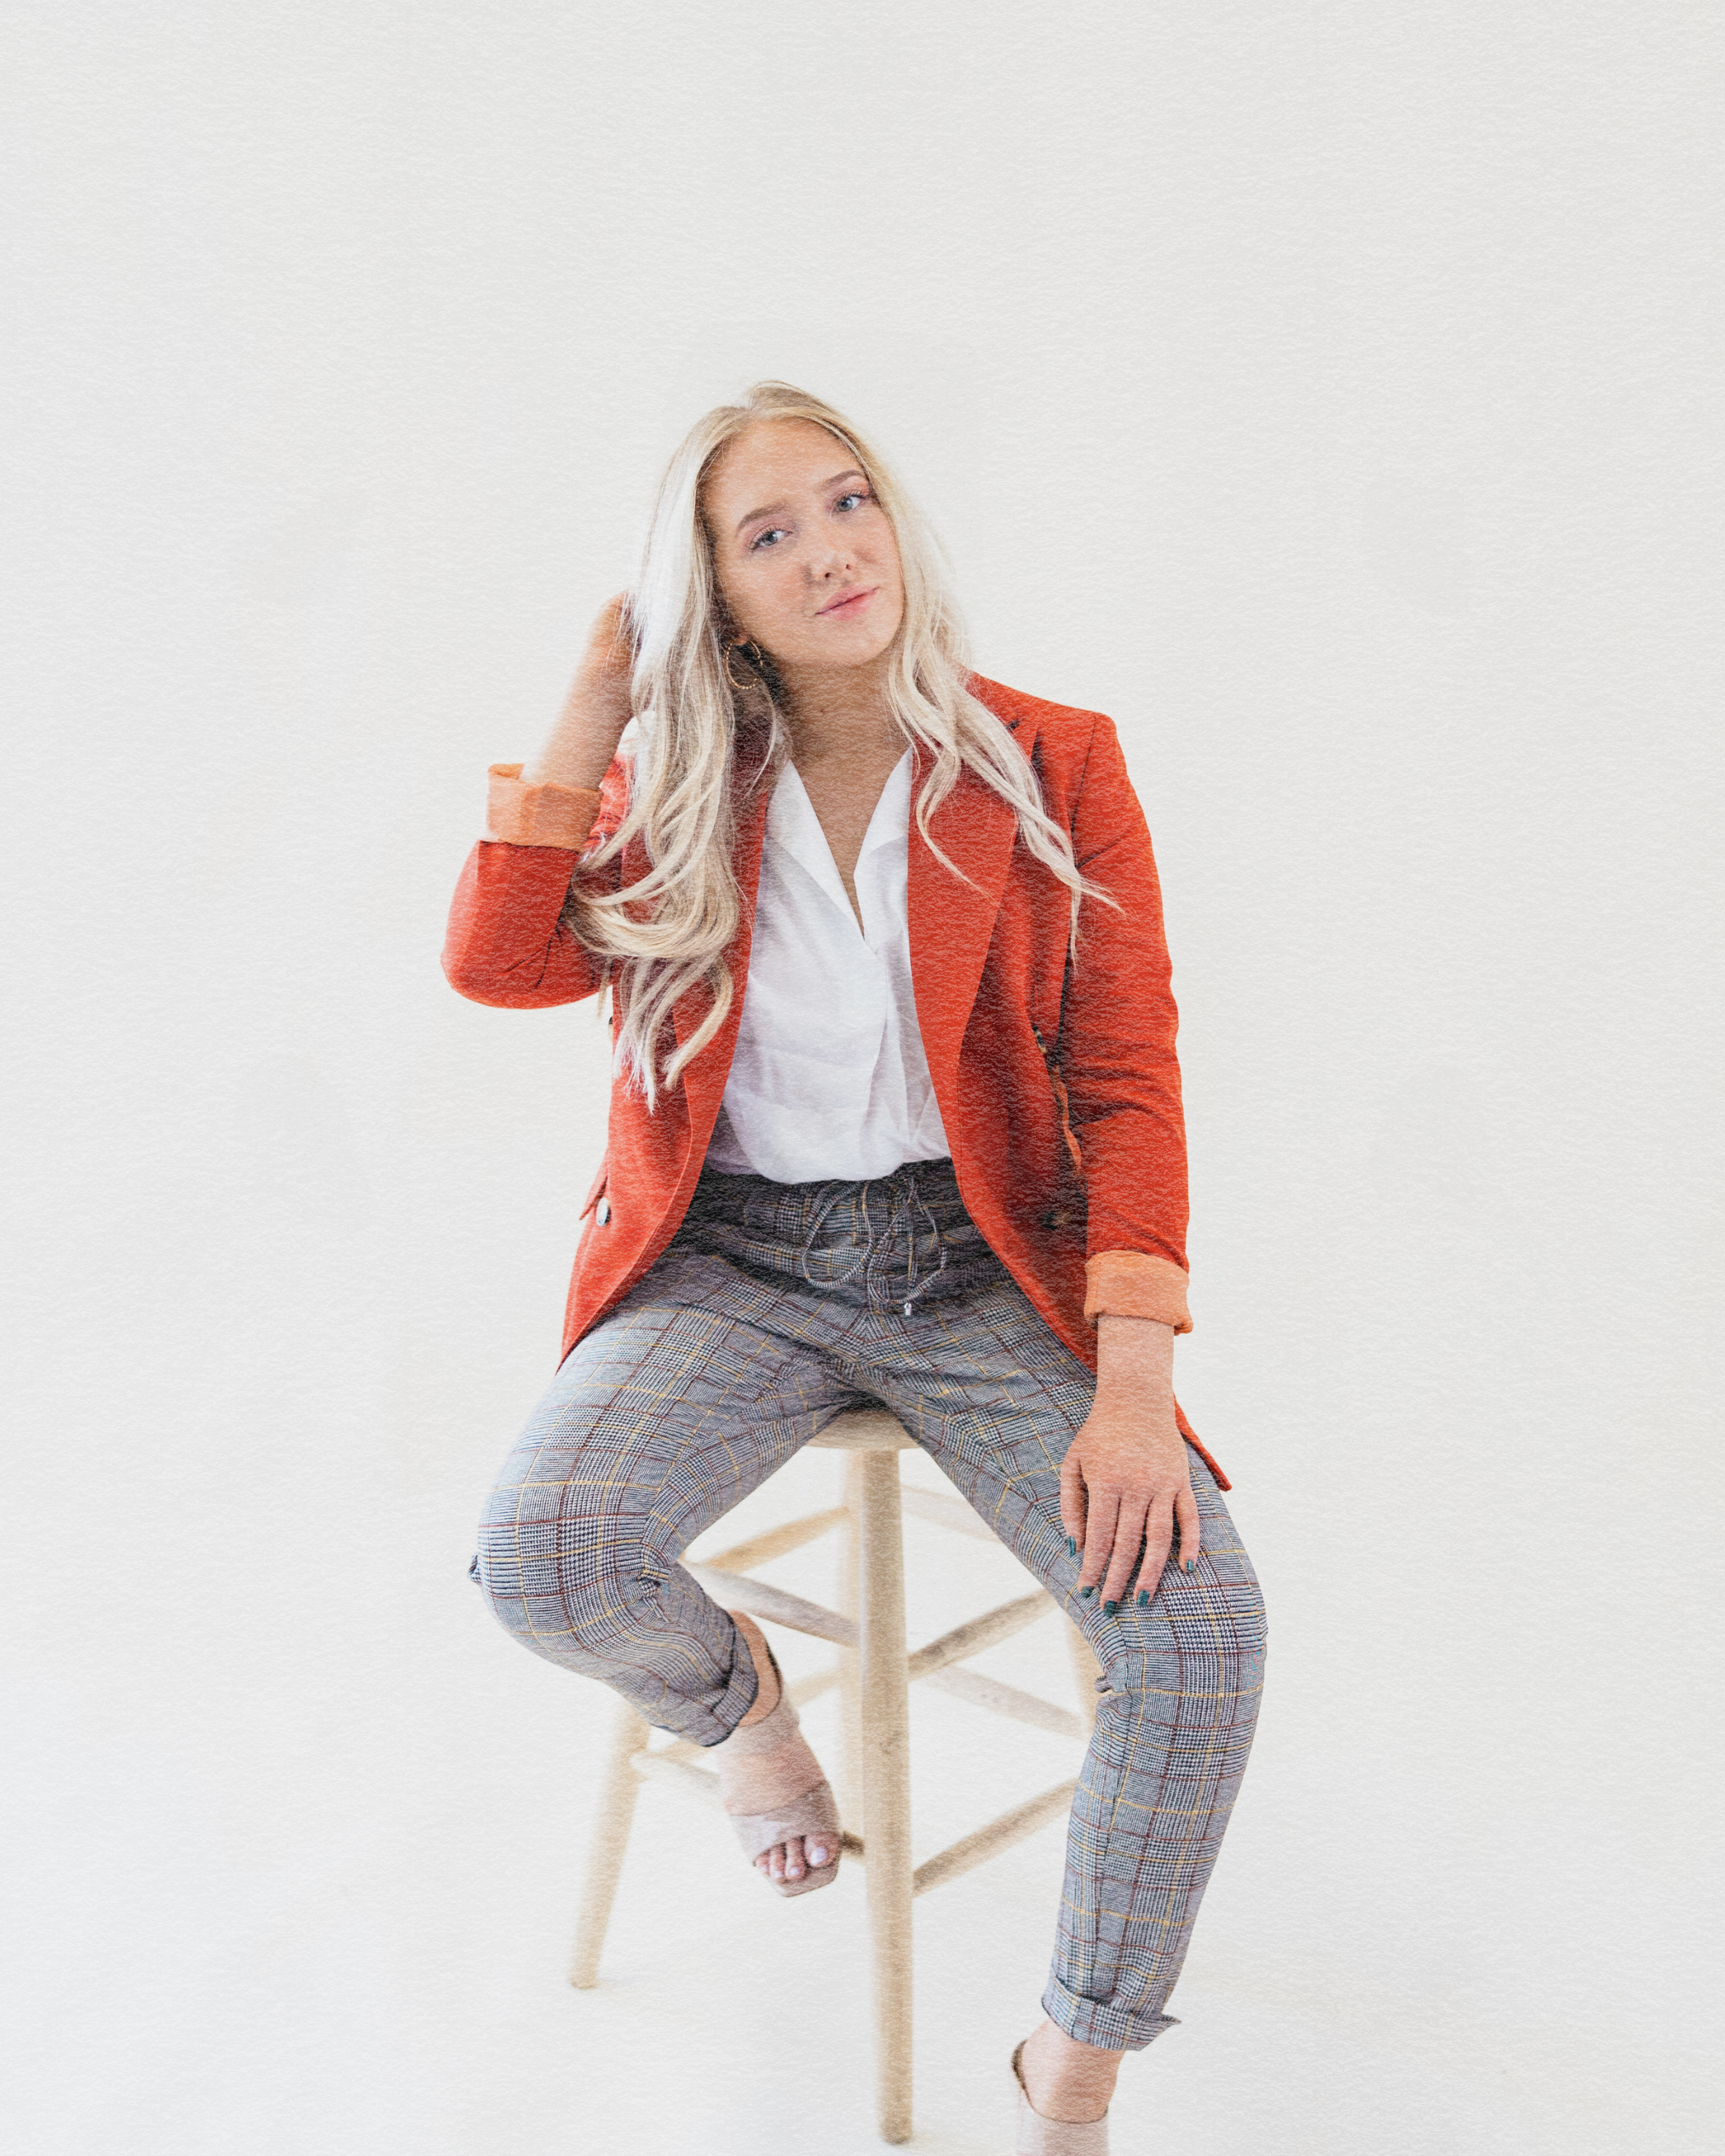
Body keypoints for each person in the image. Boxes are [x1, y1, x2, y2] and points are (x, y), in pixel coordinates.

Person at [443, 381, 1266, 2149]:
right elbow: (498, 964)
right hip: (733, 1259)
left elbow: (1127, 1077)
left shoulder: (1050, 756)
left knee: (1197, 1628)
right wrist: (593, 708)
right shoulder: (676, 781)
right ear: (712, 594)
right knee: (541, 1554)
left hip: (982, 1260)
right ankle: (746, 1715)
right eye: (767, 533)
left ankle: (1075, 2066)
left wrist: (1136, 1387)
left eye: (847, 502)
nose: (830, 553)